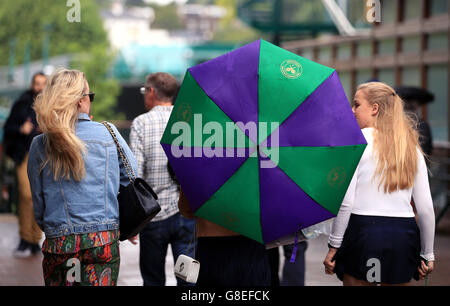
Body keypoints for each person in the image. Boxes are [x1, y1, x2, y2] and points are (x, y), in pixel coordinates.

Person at [27, 68, 138, 286]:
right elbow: (131, 180)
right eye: (90, 96)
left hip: (60, 242)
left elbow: (38, 201)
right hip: (103, 240)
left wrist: (55, 229)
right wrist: (126, 224)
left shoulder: (40, 144)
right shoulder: (110, 133)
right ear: (80, 101)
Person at [323, 82, 435, 286]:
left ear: (374, 108)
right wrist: (428, 253)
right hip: (404, 233)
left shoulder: (357, 142)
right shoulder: (410, 146)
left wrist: (334, 244)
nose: (352, 110)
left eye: (357, 104)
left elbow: (346, 202)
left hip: (363, 230)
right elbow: (426, 208)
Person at [129, 72, 195, 286]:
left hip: (153, 218)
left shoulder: (141, 123)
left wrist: (132, 222)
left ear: (151, 92)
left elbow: (134, 174)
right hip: (187, 216)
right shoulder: (190, 120)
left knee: (153, 279)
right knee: (188, 280)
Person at [178, 189, 272, 286]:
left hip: (211, 244)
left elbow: (186, 209)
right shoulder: (255, 174)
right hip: (251, 241)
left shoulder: (198, 173)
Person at [3, 72, 47, 257]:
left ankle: (35, 240)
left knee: (40, 197)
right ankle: (25, 238)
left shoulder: (50, 105)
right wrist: (22, 129)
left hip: (45, 156)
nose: (40, 87)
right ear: (32, 84)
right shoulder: (22, 103)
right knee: (26, 195)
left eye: (43, 83)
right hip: (25, 155)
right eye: (37, 83)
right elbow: (8, 128)